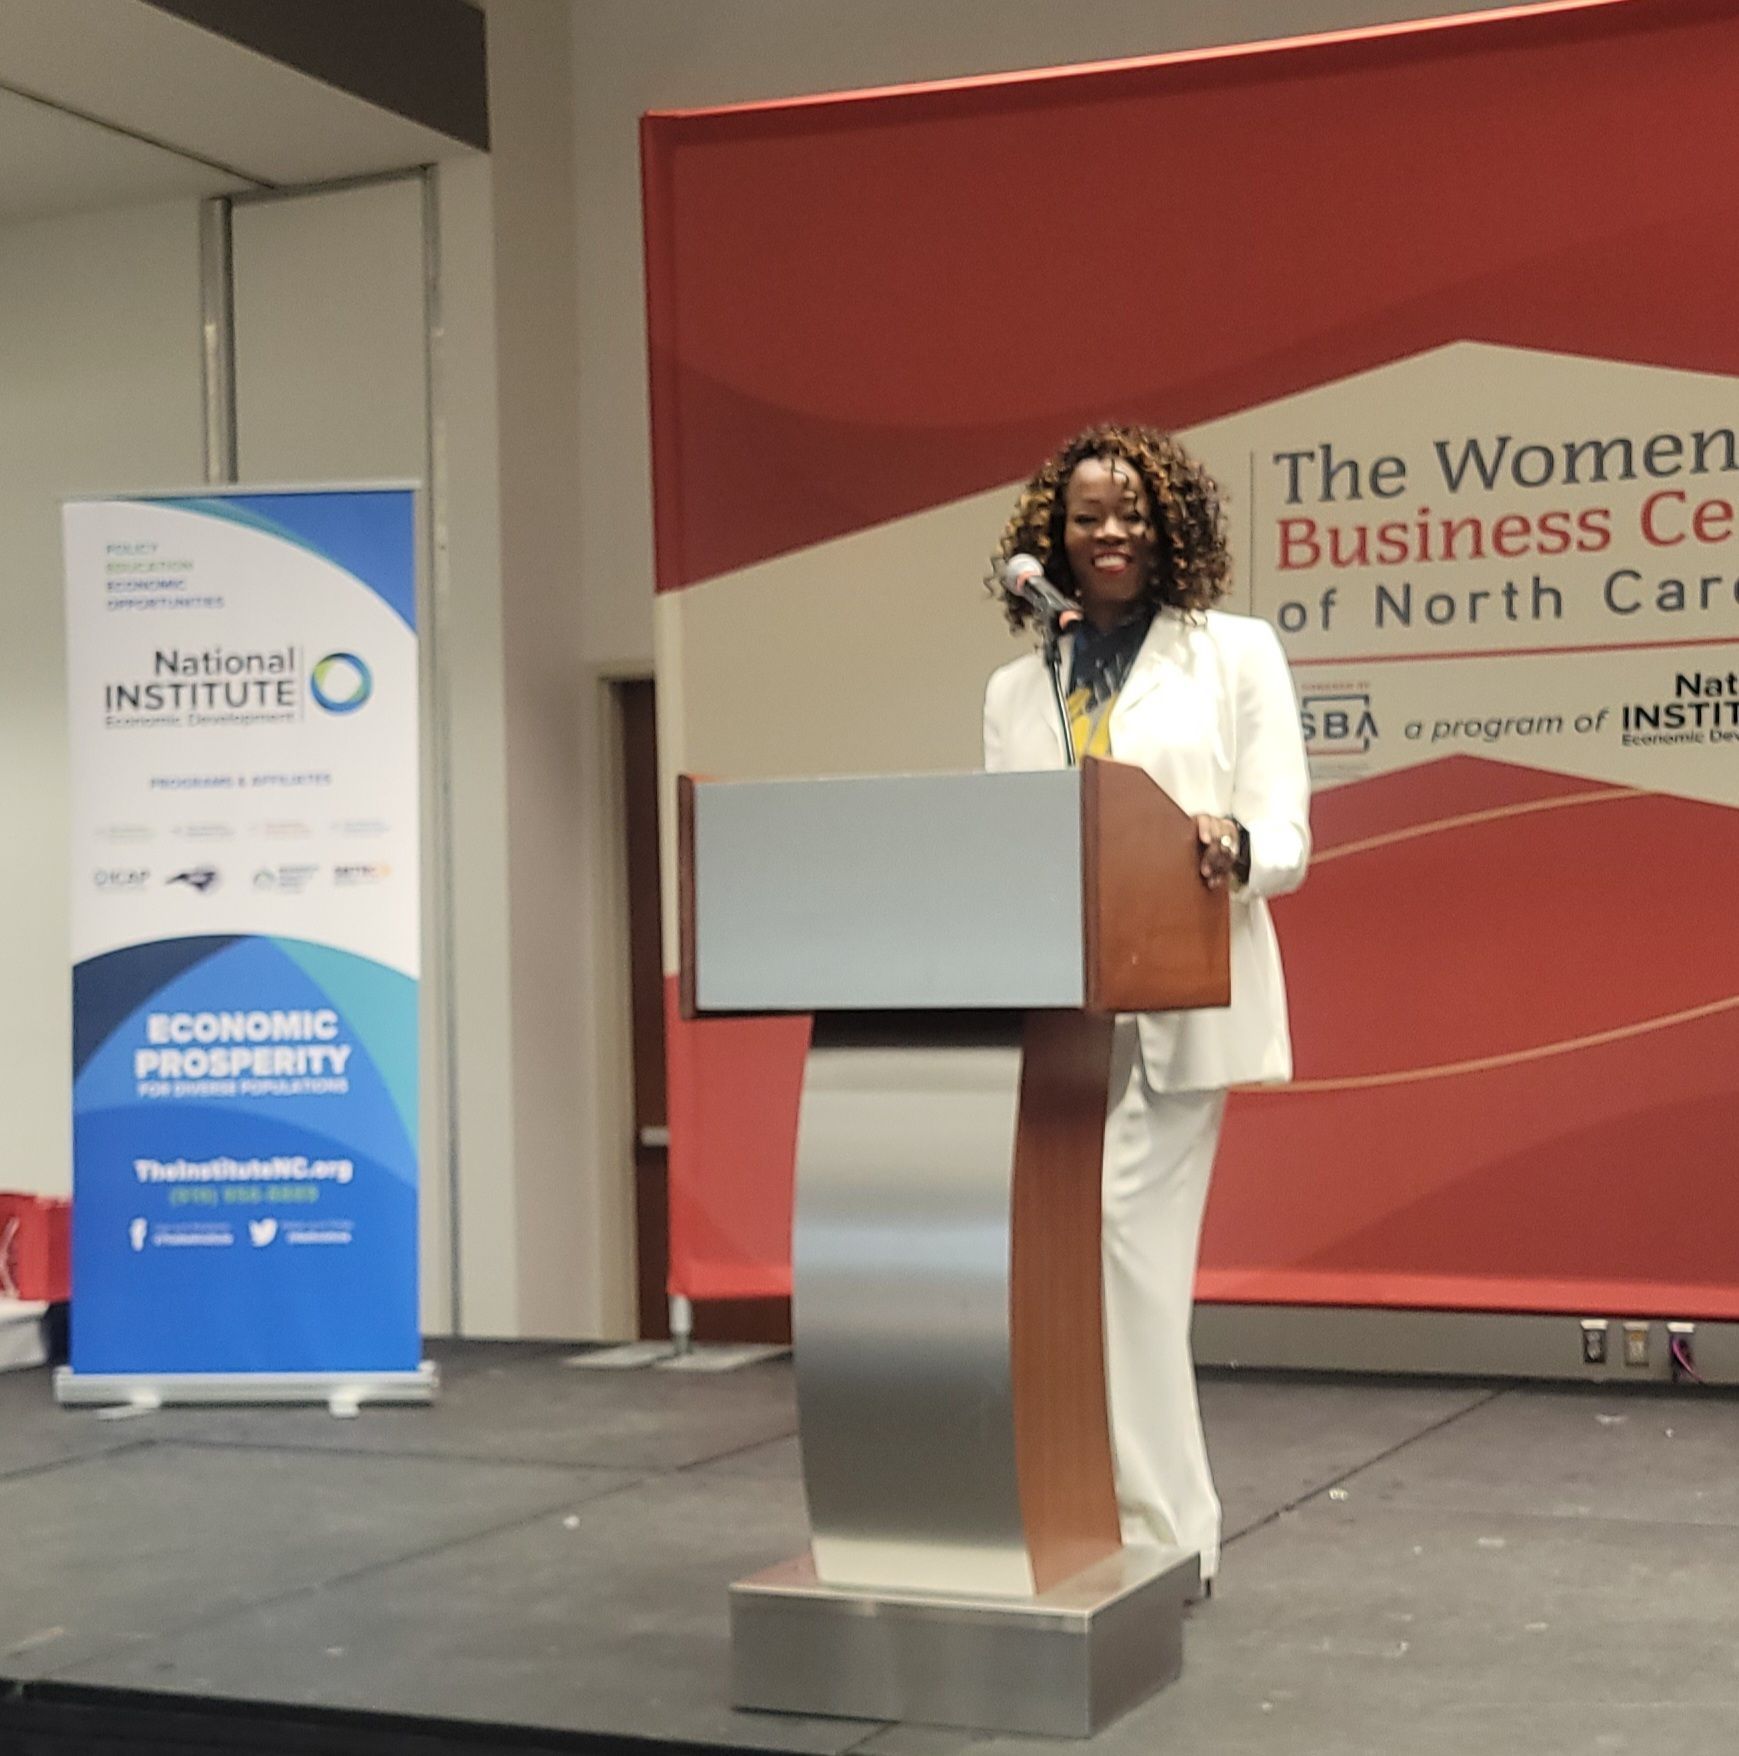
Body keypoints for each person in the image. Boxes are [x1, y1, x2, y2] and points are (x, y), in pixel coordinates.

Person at [982, 423, 1310, 1591]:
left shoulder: (1232, 654)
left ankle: (1168, 1532)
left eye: (1128, 511)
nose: (1107, 532)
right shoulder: (1018, 687)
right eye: (1084, 515)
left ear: (1168, 523)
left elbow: (1288, 835)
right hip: (1057, 1012)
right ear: (1049, 537)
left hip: (1183, 999)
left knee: (1123, 1252)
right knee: (1079, 1269)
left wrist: (1229, 842)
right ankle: (1109, 1517)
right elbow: (1001, 841)